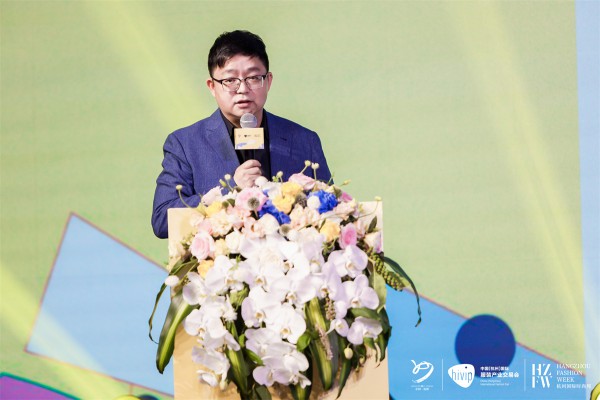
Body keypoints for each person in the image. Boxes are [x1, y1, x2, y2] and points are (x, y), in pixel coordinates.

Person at [151, 30, 332, 238]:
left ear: (268, 81)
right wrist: (229, 191)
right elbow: (162, 221)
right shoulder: (184, 144)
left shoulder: (304, 140)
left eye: (253, 78)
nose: (242, 89)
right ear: (212, 86)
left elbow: (331, 212)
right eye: (230, 80)